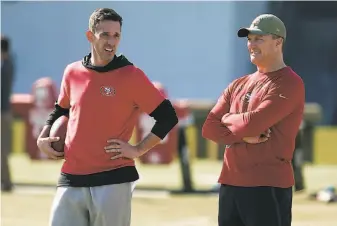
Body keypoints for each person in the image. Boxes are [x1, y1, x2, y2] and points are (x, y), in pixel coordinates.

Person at [36, 8, 178, 226]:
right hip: (71, 176)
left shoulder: (132, 76)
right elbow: (61, 109)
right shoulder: (72, 72)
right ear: (90, 36)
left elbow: (168, 116)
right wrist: (43, 137)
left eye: (117, 35)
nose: (111, 41)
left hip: (113, 179)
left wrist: (138, 149)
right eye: (105, 35)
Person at [202, 14, 305, 226]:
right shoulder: (238, 83)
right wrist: (243, 136)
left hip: (267, 185)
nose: (251, 44)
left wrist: (228, 118)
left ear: (278, 42)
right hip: (230, 184)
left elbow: (252, 124)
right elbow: (209, 128)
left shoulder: (289, 83)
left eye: (259, 38)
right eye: (249, 39)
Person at [1, 35, 15, 192]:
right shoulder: (8, 64)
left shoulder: (5, 66)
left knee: (2, 150)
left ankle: (6, 182)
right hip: (5, 112)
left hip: (2, 112)